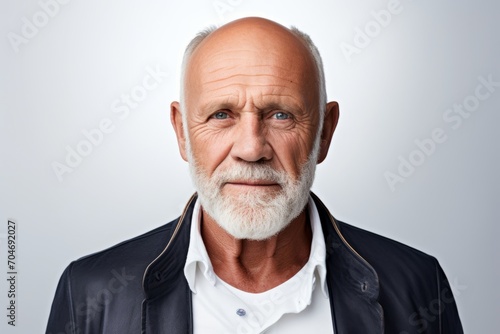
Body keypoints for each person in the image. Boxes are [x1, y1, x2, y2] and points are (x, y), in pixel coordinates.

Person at [46, 17, 463, 333]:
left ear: (324, 132)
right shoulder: (91, 293)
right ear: (182, 133)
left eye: (281, 115)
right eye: (221, 114)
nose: (251, 148)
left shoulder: (416, 286)